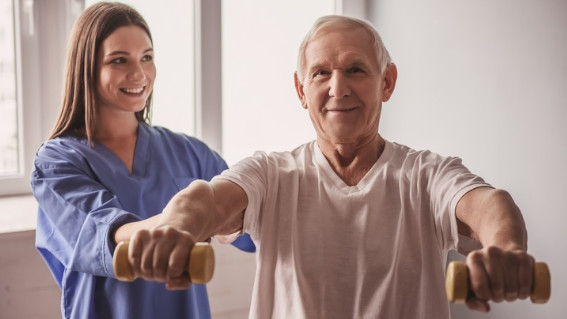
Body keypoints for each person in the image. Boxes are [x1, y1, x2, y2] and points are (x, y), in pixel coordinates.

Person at [120, 15, 535, 318]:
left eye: (355, 69)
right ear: (302, 89)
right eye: (321, 73)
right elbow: (207, 200)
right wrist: (175, 228)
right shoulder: (271, 174)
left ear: (386, 82)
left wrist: (506, 248)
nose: (338, 88)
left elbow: (487, 204)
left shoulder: (425, 176)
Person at [30, 2, 254, 319]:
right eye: (119, 60)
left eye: (146, 57)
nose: (139, 74)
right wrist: (178, 226)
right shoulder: (56, 161)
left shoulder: (190, 152)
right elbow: (103, 227)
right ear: (88, 67)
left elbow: (251, 225)